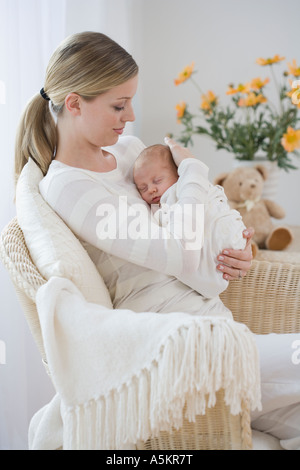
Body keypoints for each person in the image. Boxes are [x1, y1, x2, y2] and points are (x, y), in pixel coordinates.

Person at [14, 31, 300, 449]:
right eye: (118, 104)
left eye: (130, 101)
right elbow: (181, 250)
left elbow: (195, 220)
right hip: (182, 350)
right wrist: (194, 171)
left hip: (217, 324)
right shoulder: (70, 189)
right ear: (73, 103)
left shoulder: (129, 151)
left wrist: (236, 246)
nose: (130, 116)